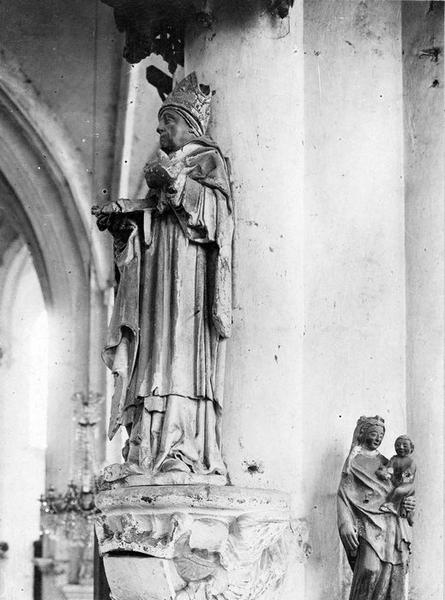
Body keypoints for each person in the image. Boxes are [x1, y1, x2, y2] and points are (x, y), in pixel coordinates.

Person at [92, 73, 233, 482]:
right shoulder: (165, 164)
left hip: (187, 279)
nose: (158, 129)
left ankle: (180, 446)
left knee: (179, 356)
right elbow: (151, 216)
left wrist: (178, 183)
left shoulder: (207, 161)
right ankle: (144, 448)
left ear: (188, 125)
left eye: (166, 121)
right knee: (152, 355)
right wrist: (124, 221)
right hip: (157, 277)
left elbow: (218, 218)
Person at [338, 416, 416, 599]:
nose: (378, 438)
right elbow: (343, 494)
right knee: (369, 569)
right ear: (362, 433)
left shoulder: (387, 462)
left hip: (391, 525)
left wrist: (409, 504)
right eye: (374, 433)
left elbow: (400, 490)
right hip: (367, 523)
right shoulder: (353, 461)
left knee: (391, 575)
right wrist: (345, 523)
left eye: (381, 435)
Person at [378, 435, 416, 526]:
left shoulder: (410, 462)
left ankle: (392, 505)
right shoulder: (394, 459)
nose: (401, 447)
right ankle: (402, 511)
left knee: (399, 491)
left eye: (405, 446)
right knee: (394, 490)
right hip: (395, 483)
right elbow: (390, 468)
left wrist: (398, 481)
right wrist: (387, 473)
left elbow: (407, 477)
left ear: (411, 449)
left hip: (406, 485)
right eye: (398, 445)